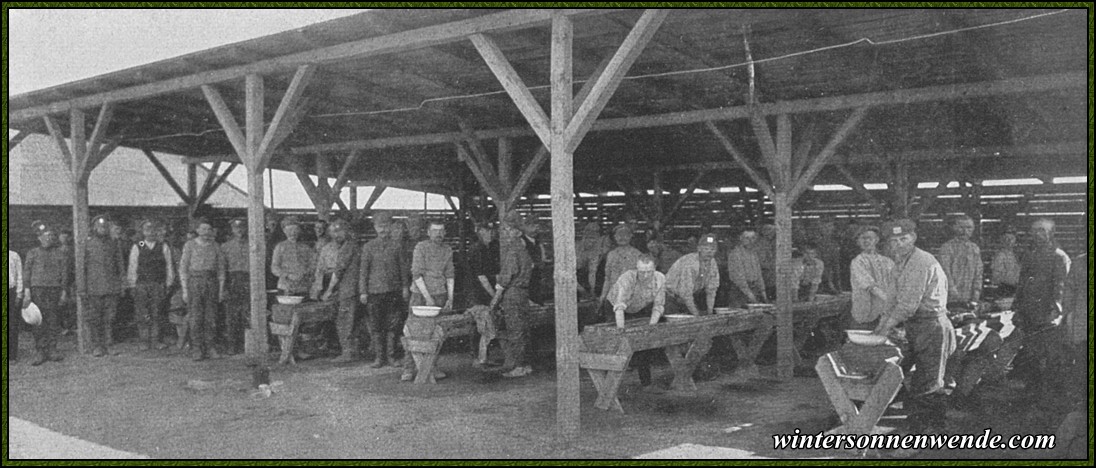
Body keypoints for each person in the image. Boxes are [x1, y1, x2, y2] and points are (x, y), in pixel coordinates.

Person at [872, 219, 955, 433]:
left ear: (914, 238)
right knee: (913, 378)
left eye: (904, 239)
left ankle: (929, 434)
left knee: (929, 381)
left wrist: (885, 328)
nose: (899, 244)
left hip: (931, 325)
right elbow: (892, 299)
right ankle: (922, 428)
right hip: (915, 326)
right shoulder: (899, 263)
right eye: (894, 240)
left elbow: (907, 305)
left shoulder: (922, 262)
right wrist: (881, 325)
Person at [1010, 218, 1070, 396]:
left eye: (1042, 231)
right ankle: (1032, 392)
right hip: (1029, 313)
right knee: (1031, 354)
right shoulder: (1030, 255)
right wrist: (1018, 307)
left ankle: (1048, 396)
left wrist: (1055, 311)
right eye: (1035, 230)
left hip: (1047, 315)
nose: (1038, 234)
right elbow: (1022, 284)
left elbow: (1061, 286)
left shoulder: (1059, 256)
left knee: (1050, 356)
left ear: (1051, 233)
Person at [603, 255, 666, 390]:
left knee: (644, 342)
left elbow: (658, 306)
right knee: (617, 343)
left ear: (654, 269)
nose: (645, 275)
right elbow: (619, 306)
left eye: (649, 271)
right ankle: (608, 385)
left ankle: (646, 384)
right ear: (636, 269)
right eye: (642, 272)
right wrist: (621, 331)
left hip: (638, 308)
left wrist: (651, 327)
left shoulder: (660, 278)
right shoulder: (627, 278)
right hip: (615, 308)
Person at [403, 220, 455, 381]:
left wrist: (450, 298)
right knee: (413, 331)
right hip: (420, 296)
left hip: (440, 294)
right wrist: (427, 298)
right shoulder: (421, 247)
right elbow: (416, 274)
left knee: (436, 333)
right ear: (428, 232)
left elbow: (450, 275)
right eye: (435, 230)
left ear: (445, 233)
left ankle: (432, 366)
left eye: (441, 231)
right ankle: (408, 368)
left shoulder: (447, 250)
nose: (438, 234)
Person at [359, 212, 409, 368]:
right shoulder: (368, 247)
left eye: (386, 226)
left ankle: (391, 356)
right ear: (375, 227)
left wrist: (405, 288)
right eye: (380, 226)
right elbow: (363, 271)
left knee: (393, 325)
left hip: (394, 291)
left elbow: (403, 269)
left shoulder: (397, 245)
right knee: (376, 326)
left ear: (390, 227)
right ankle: (379, 358)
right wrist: (363, 291)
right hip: (374, 292)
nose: (383, 229)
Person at [489, 212, 535, 378]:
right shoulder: (524, 248)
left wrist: (494, 301)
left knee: (515, 330)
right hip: (523, 293)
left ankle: (518, 366)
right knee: (524, 329)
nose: (505, 233)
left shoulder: (512, 250)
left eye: (508, 230)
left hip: (513, 294)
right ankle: (527, 364)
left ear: (517, 231)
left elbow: (505, 278)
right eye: (505, 229)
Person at [312, 218, 361, 362]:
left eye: (339, 231)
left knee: (344, 321)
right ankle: (352, 351)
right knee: (349, 320)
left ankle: (347, 353)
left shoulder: (348, 247)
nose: (336, 235)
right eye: (333, 232)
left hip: (348, 289)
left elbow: (339, 271)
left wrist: (328, 291)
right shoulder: (351, 246)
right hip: (349, 289)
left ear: (347, 231)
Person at [23, 222, 72, 365]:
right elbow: (27, 272)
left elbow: (64, 274)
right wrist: (27, 290)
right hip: (37, 290)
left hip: (54, 290)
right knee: (38, 321)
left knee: (53, 320)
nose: (48, 238)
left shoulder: (60, 253)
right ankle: (40, 351)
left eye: (50, 236)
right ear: (39, 238)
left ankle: (52, 350)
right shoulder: (32, 253)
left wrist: (63, 291)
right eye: (44, 236)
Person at [179, 218, 227, 361]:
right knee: (195, 317)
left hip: (211, 282)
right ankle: (197, 349)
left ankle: (210, 347)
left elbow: (221, 270)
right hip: (194, 282)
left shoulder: (216, 246)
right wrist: (185, 290)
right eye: (203, 229)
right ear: (198, 230)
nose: (206, 232)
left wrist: (220, 290)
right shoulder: (190, 245)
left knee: (211, 317)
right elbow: (183, 268)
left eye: (209, 229)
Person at [126, 219, 174, 351]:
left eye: (153, 230)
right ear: (142, 232)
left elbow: (169, 265)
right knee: (143, 313)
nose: (150, 232)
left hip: (158, 284)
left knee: (157, 312)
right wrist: (132, 284)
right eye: (147, 230)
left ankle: (156, 340)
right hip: (141, 285)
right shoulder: (139, 245)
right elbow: (132, 266)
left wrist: (169, 282)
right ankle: (144, 341)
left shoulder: (163, 246)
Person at [85, 215, 126, 357]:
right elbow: (82, 267)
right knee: (95, 318)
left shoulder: (114, 243)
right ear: (94, 228)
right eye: (99, 226)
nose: (102, 229)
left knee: (110, 318)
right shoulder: (88, 244)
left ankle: (109, 344)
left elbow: (120, 265)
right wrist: (83, 287)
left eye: (105, 226)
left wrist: (122, 284)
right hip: (94, 287)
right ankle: (97, 346)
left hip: (111, 286)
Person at [664, 233, 720, 316]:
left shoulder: (712, 262)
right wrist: (696, 314)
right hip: (669, 297)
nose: (709, 252)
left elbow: (711, 289)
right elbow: (686, 293)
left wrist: (710, 311)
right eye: (706, 248)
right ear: (699, 249)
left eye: (712, 249)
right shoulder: (690, 263)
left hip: (686, 298)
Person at [849, 226, 893, 329]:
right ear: (858, 242)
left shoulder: (887, 262)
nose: (867, 241)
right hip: (866, 312)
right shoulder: (857, 262)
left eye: (870, 238)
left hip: (884, 313)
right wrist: (889, 300)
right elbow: (870, 286)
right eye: (863, 238)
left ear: (876, 240)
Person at [936, 214, 983, 310]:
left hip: (969, 297)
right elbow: (945, 272)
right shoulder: (947, 248)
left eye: (969, 228)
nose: (965, 231)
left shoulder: (974, 248)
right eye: (961, 228)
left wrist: (976, 292)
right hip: (951, 298)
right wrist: (952, 291)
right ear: (954, 228)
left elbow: (978, 273)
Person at [219, 218, 249, 355]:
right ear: (232, 229)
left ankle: (246, 344)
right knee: (231, 316)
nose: (239, 230)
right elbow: (222, 269)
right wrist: (224, 287)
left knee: (246, 313)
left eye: (242, 227)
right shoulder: (225, 247)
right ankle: (232, 344)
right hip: (232, 281)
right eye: (236, 228)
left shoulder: (252, 244)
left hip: (248, 280)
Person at [600, 224, 643, 308]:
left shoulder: (637, 255)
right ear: (615, 237)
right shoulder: (611, 255)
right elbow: (607, 278)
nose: (622, 237)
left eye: (625, 235)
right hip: (613, 297)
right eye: (619, 235)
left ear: (631, 236)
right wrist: (603, 295)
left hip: (631, 298)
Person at [270, 216, 316, 295]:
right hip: (285, 286)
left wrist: (304, 273)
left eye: (295, 230)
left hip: (303, 287)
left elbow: (313, 265)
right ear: (284, 231)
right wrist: (287, 275)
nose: (293, 233)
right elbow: (274, 267)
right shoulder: (280, 247)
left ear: (299, 231)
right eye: (289, 230)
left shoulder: (306, 248)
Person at [726, 229, 768, 307]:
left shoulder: (754, 253)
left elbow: (759, 274)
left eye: (753, 238)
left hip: (754, 289)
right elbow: (738, 277)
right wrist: (749, 294)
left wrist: (763, 291)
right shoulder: (735, 254)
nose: (750, 241)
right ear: (741, 238)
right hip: (740, 291)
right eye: (747, 238)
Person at [469, 222, 500, 306]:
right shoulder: (475, 249)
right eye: (487, 231)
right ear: (480, 232)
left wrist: (498, 294)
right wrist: (494, 296)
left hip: (494, 289)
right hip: (479, 291)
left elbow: (497, 271)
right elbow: (481, 276)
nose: (490, 234)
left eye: (491, 231)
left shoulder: (494, 247)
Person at [575, 222, 609, 297]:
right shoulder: (574, 249)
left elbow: (592, 273)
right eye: (589, 239)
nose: (591, 243)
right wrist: (581, 290)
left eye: (594, 239)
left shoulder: (594, 252)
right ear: (584, 237)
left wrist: (592, 291)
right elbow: (568, 273)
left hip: (580, 278)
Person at [990, 230, 1021, 297]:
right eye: (1006, 239)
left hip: (1015, 289)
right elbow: (996, 278)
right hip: (1005, 290)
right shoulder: (1000, 256)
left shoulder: (1015, 255)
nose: (1009, 241)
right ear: (1001, 240)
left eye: (1011, 239)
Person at [9, 249, 25, 362]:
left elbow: (20, 275)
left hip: (10, 291)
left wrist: (19, 293)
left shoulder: (14, 255)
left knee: (12, 324)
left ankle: (11, 355)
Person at [756, 224, 777, 301]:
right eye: (768, 230)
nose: (771, 233)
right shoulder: (760, 244)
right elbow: (761, 262)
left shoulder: (772, 243)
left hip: (771, 278)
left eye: (772, 230)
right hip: (763, 277)